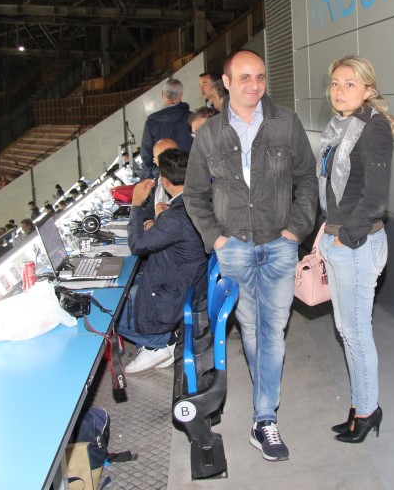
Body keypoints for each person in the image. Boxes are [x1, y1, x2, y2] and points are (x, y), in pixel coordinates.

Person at [184, 49, 318, 462]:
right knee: (253, 331)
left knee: (272, 331)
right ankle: (265, 411)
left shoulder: (285, 122)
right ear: (226, 83)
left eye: (259, 76)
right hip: (235, 249)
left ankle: (264, 419)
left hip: (279, 246)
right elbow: (194, 193)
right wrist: (216, 239)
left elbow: (307, 180)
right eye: (244, 77)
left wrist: (295, 230)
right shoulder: (210, 133)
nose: (254, 85)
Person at [317, 55, 394, 444]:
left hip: (358, 244)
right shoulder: (340, 127)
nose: (340, 90)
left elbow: (375, 197)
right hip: (341, 239)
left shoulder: (374, 127)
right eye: (335, 83)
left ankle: (367, 411)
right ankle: (359, 404)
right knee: (346, 330)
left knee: (356, 331)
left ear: (368, 89)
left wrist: (344, 237)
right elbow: (338, 191)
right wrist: (326, 229)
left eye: (350, 83)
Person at [121, 149, 207, 373]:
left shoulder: (174, 218)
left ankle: (157, 344)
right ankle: (157, 341)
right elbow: (176, 235)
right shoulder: (198, 202)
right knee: (130, 283)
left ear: (165, 182)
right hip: (188, 280)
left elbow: (137, 245)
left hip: (174, 292)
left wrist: (136, 204)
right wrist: (158, 223)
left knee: (113, 307)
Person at [139, 78, 193, 178]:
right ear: (181, 96)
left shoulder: (152, 122)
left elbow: (146, 154)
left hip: (163, 175)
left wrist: (149, 176)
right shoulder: (192, 118)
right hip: (190, 173)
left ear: (162, 94)